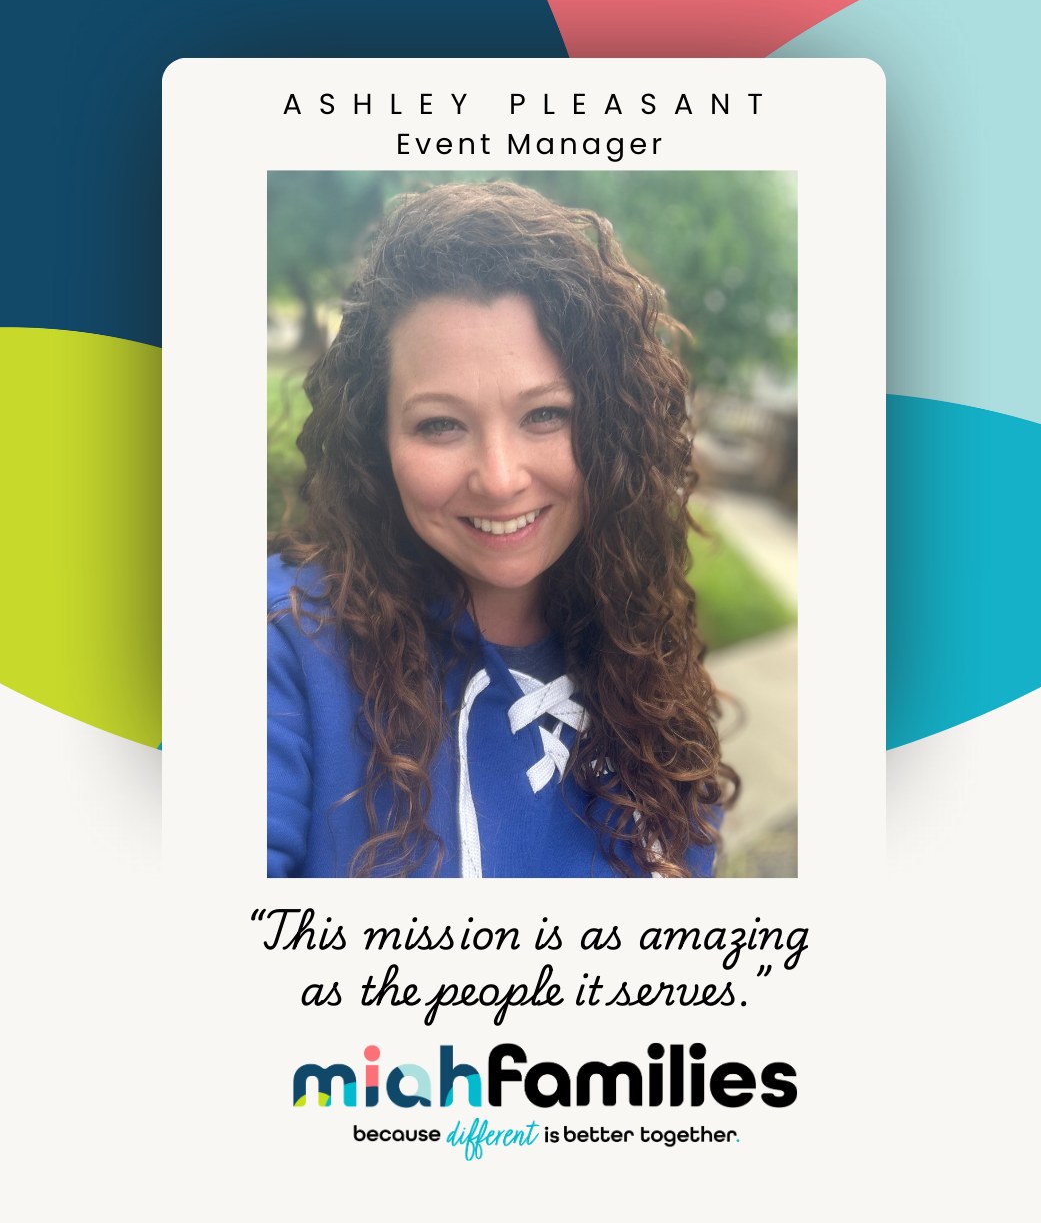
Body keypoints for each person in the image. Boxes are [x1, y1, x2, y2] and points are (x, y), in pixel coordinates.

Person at [268, 180, 736, 878]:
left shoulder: (641, 650)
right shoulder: (283, 646)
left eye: (545, 414)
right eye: (440, 424)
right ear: (377, 440)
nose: (500, 477)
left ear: (609, 427)